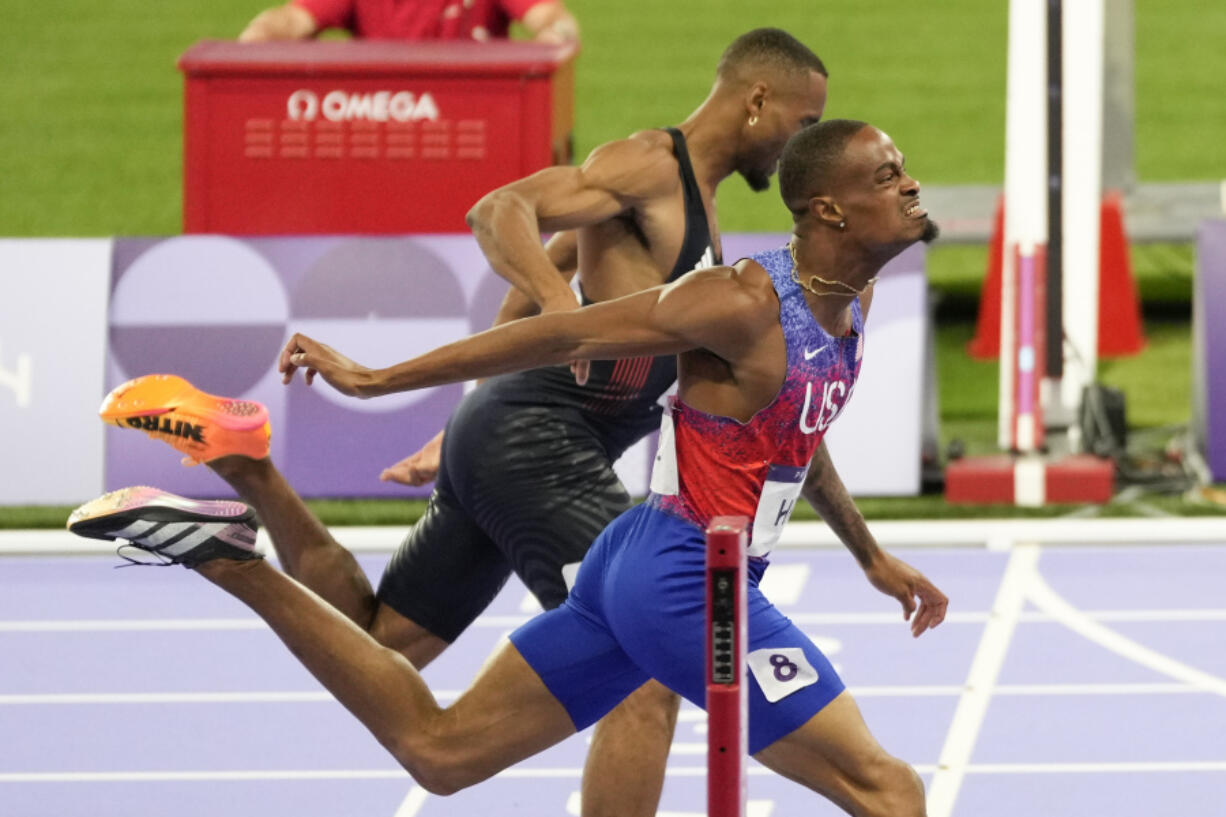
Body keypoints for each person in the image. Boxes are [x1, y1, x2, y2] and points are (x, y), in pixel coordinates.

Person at [71, 118, 948, 816]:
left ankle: (228, 557)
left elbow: (799, 431)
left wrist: (869, 554)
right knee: (890, 792)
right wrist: (380, 380)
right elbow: (560, 331)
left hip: (637, 562)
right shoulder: (742, 299)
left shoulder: (853, 295)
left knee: (441, 752)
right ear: (828, 211)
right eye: (886, 175)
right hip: (679, 575)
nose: (910, 185)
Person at [238, 0, 580, 45]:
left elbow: (553, 18)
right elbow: (293, 19)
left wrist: (556, 35)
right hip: (381, 123)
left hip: (475, 116)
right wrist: (261, 32)